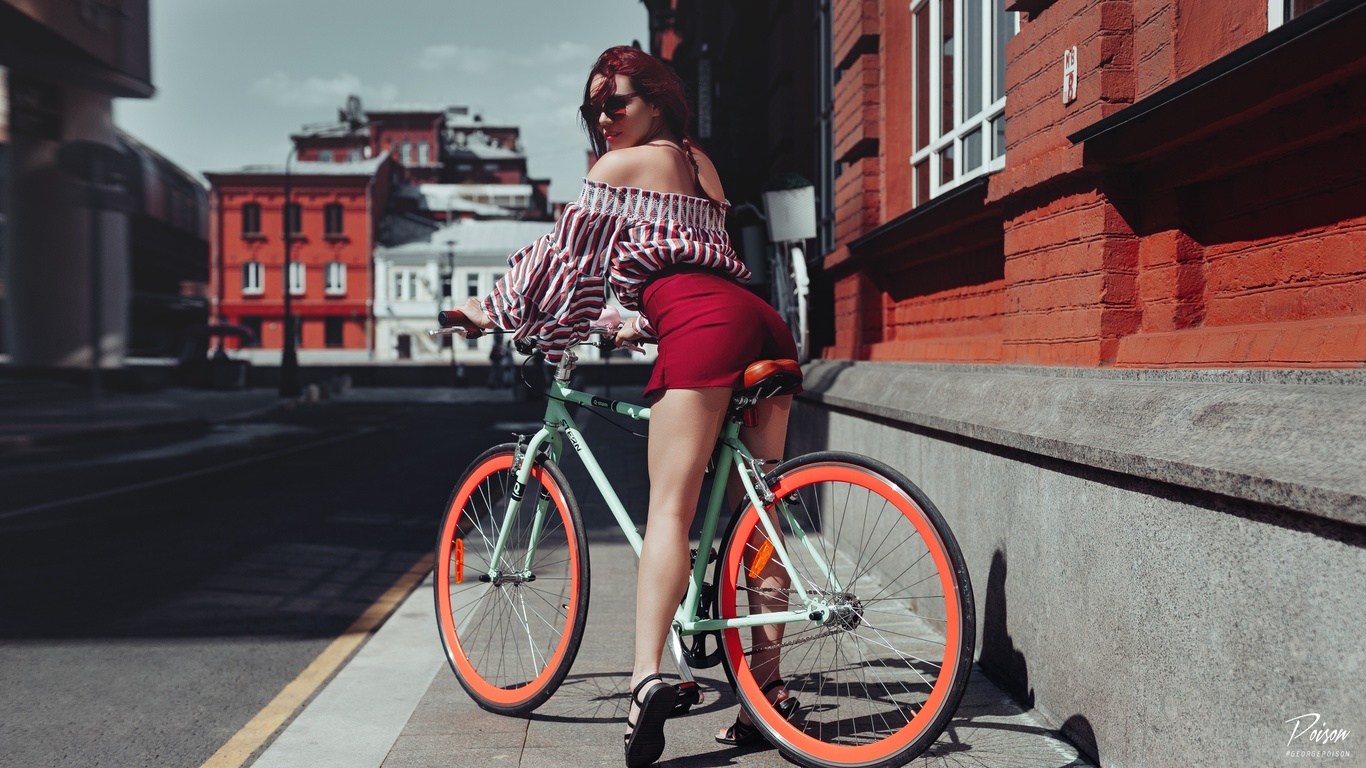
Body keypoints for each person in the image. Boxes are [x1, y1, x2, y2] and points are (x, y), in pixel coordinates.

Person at [442, 45, 799, 767]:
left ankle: (645, 682)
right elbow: (693, 261)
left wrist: (492, 309)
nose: (604, 117)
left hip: (702, 326)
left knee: (668, 512)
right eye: (594, 106)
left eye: (618, 102)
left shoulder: (618, 170)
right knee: (759, 506)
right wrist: (631, 319)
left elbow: (562, 260)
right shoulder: (702, 166)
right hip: (759, 322)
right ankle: (768, 697)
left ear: (660, 100)